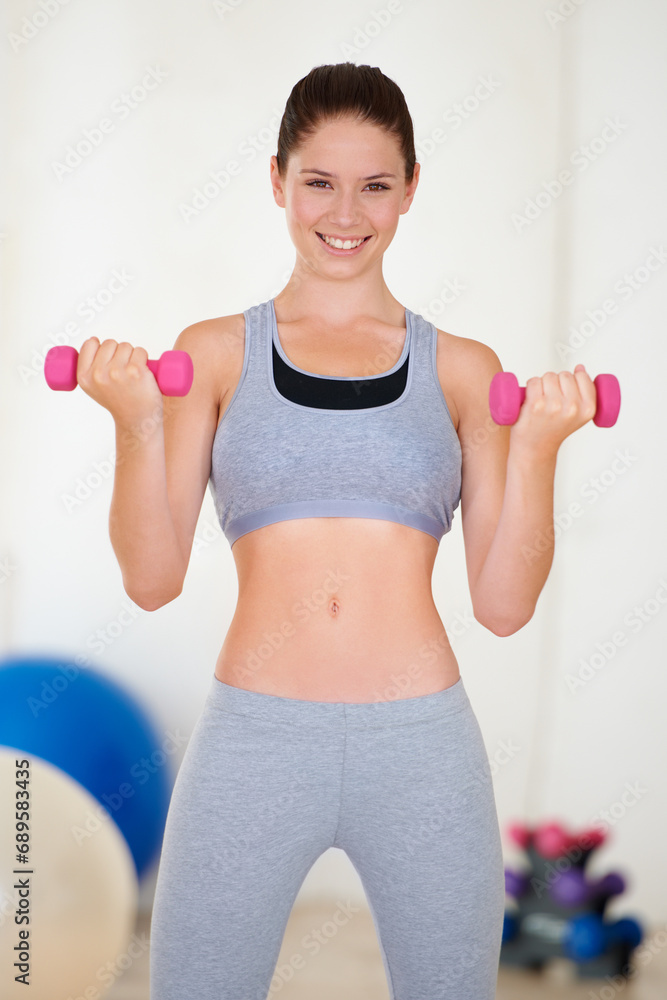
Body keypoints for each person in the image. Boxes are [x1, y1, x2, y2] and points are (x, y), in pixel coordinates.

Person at [76, 62, 597, 1000]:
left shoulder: (467, 374)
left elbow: (505, 603)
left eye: (374, 184)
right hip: (254, 738)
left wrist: (542, 446)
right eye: (318, 181)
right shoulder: (214, 355)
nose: (344, 211)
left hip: (421, 743)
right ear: (276, 179)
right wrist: (133, 420)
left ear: (409, 190)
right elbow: (151, 579)